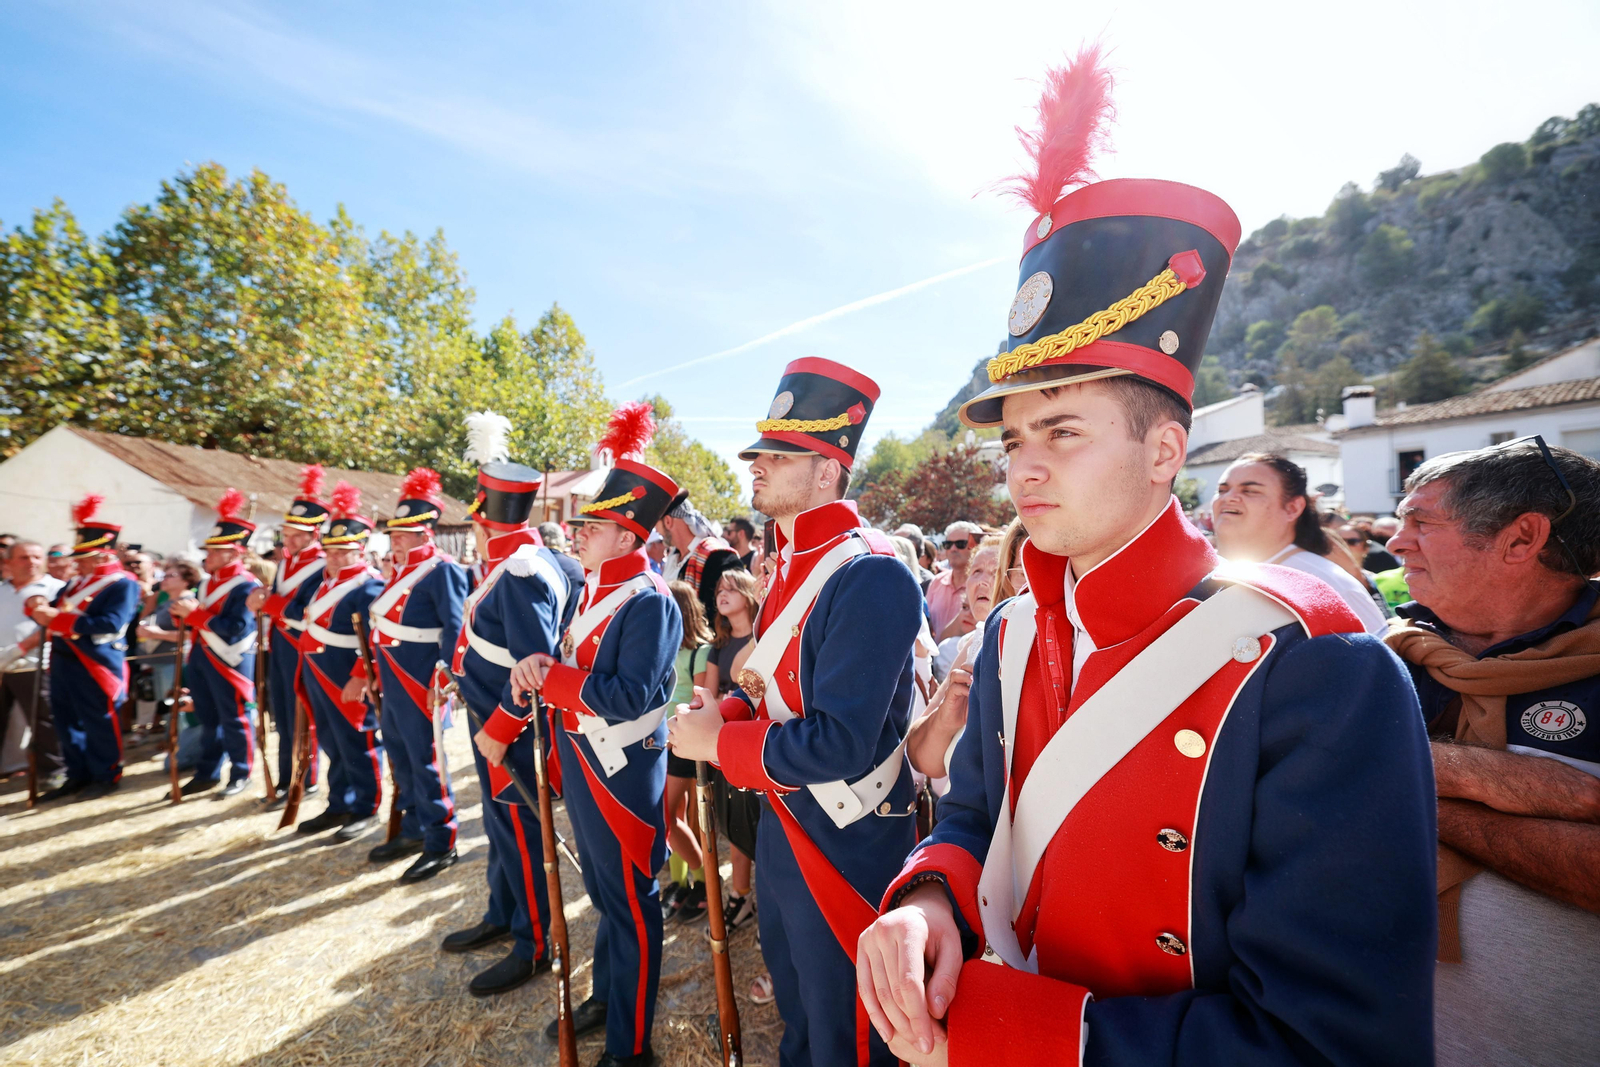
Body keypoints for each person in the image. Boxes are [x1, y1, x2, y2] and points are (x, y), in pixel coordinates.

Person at [856, 49, 1436, 1067]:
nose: (1022, 471)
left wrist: (997, 1029)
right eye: (1012, 441)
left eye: (1064, 432)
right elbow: (976, 808)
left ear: (1164, 449)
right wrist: (930, 892)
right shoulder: (1009, 629)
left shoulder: (1316, 664)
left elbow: (1330, 1043)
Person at [669, 357, 922, 1067]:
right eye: (759, 452)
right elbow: (762, 683)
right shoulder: (798, 562)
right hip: (786, 818)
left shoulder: (868, 569)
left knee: (847, 1028)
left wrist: (721, 747)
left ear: (828, 470)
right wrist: (719, 710)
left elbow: (840, 739)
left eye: (779, 455)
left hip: (845, 832)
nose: (757, 465)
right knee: (800, 1010)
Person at [1382, 437, 1600, 1067]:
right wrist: (1481, 777)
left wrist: (1390, 782)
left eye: (1422, 521)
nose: (1397, 543)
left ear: (1521, 537)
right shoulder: (1375, 653)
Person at [511, 401, 681, 1067]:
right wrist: (541, 674)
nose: (578, 532)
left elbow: (629, 696)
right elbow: (573, 672)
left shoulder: (649, 600)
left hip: (621, 768)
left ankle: (630, 1045)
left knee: (633, 905)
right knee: (605, 897)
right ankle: (610, 997)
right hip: (583, 759)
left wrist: (549, 677)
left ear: (630, 538)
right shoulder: (591, 590)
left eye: (594, 524)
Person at [445, 410, 581, 996]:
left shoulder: (522, 570)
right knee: (501, 829)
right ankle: (504, 913)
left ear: (484, 521)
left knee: (522, 834)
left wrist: (501, 726)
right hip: (489, 720)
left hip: (512, 730)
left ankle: (533, 944)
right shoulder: (513, 563)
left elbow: (536, 668)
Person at [347, 468, 468, 878]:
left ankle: (442, 840)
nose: (394, 539)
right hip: (394, 678)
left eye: (402, 534)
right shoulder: (396, 573)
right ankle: (414, 826)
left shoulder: (442, 569)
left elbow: (454, 628)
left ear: (424, 534)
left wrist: (445, 681)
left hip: (421, 682)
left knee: (426, 760)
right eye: (393, 534)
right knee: (401, 757)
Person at [31, 496, 141, 800]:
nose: (75, 562)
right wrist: (38, 607)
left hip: (95, 660)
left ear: (103, 556)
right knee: (66, 720)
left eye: (83, 556)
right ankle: (77, 773)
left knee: (98, 720)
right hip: (64, 658)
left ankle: (106, 773)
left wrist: (61, 620)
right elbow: (55, 610)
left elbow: (111, 623)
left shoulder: (122, 584)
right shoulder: (76, 583)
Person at [1210, 452, 1388, 634]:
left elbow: (1378, 657)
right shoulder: (1199, 569)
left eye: (1250, 491)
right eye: (1222, 490)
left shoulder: (1328, 584)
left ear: (1292, 508)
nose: (1228, 498)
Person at [166, 489, 262, 797]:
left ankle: (241, 772)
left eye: (216, 551)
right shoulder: (209, 583)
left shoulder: (246, 585)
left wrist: (193, 616)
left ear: (234, 553)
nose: (208, 555)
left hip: (230, 659)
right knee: (208, 720)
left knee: (234, 719)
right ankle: (208, 772)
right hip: (203, 657)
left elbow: (235, 628)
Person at [247, 464, 329, 810]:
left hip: (302, 645)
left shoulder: (323, 563)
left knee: (300, 714)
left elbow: (305, 610)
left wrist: (270, 603)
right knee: (281, 714)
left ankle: (303, 778)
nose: (288, 540)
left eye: (296, 534)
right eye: (286, 533)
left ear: (313, 534)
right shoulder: (287, 563)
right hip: (281, 644)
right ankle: (286, 777)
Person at [659, 580, 713, 926]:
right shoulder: (665, 647)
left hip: (682, 737)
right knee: (672, 814)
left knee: (670, 815)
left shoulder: (701, 651)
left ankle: (706, 884)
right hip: (661, 739)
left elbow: (699, 698)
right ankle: (680, 883)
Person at [0, 541, 66, 790]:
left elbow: (57, 624)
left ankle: (54, 771)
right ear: (8, 562)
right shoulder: (2, 590)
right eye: (24, 558)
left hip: (34, 664)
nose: (32, 563)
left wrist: (21, 648)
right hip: (3, 667)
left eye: (37, 557)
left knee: (44, 720)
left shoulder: (56, 588)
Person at [657, 495, 739, 621]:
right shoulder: (672, 557)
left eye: (656, 524)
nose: (656, 531)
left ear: (668, 521)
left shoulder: (718, 557)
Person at [925, 521, 983, 636]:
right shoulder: (936, 582)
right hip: (939, 653)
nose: (953, 549)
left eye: (960, 544)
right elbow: (928, 627)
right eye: (948, 544)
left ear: (976, 547)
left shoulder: (984, 585)